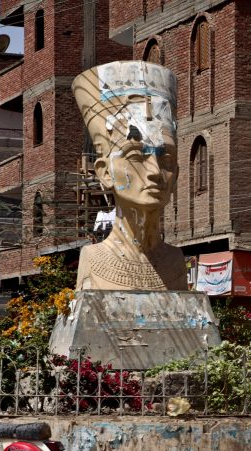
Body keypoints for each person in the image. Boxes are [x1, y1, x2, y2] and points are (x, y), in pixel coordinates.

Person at [71, 61, 186, 291]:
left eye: (166, 159)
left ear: (177, 174)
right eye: (136, 156)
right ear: (105, 172)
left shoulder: (176, 261)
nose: (154, 172)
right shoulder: (92, 258)